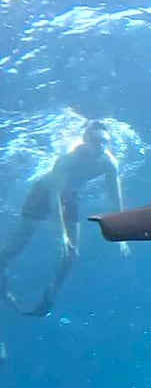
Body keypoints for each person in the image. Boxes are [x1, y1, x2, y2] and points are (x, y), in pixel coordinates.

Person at [1, 119, 131, 317]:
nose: (101, 146)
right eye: (96, 141)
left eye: (105, 141)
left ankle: (50, 293)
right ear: (84, 140)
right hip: (43, 193)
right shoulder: (68, 159)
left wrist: (121, 233)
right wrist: (60, 234)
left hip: (69, 197)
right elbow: (54, 197)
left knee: (71, 253)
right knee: (21, 240)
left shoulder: (109, 162)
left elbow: (115, 197)